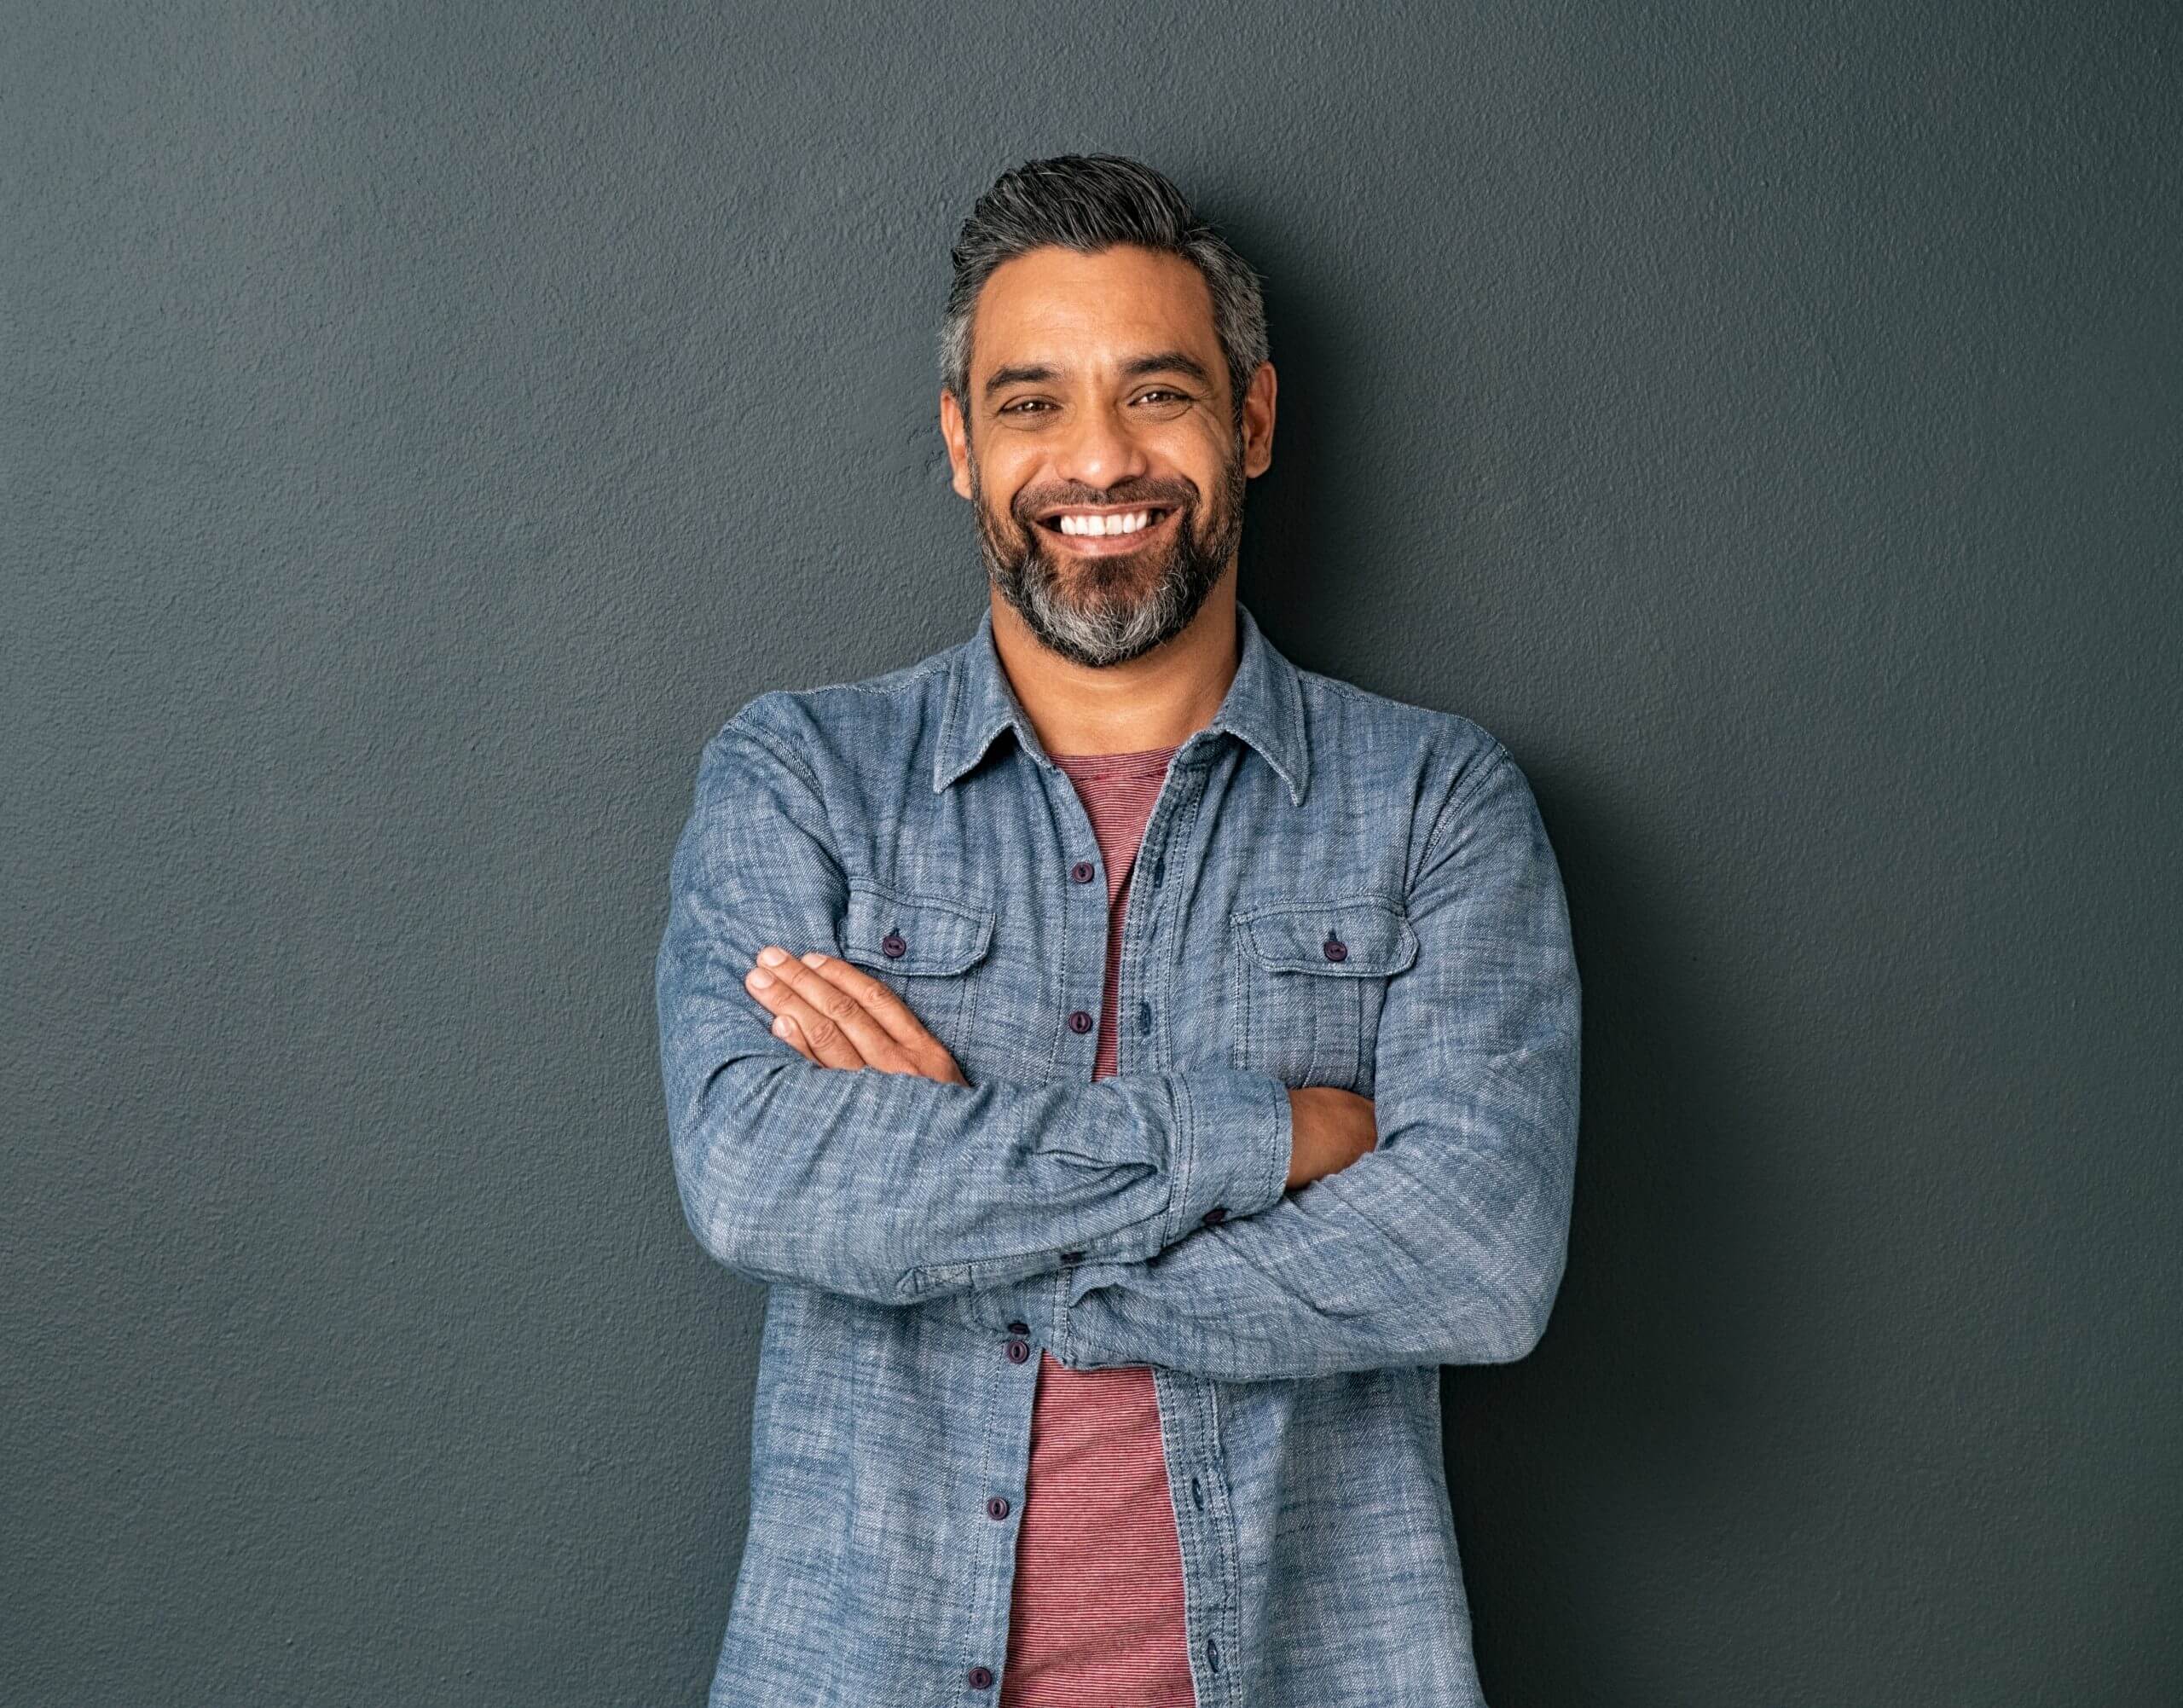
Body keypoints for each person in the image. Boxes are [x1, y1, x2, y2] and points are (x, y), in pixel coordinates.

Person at [654, 153, 1582, 1708]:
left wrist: (982, 1213)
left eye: (1157, 394)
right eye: (1031, 404)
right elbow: (754, 1177)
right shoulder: (800, 776)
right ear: (960, 441)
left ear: (1254, 423)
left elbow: (1481, 1253)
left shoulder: (1435, 800)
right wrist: (1264, 1143)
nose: (1098, 461)